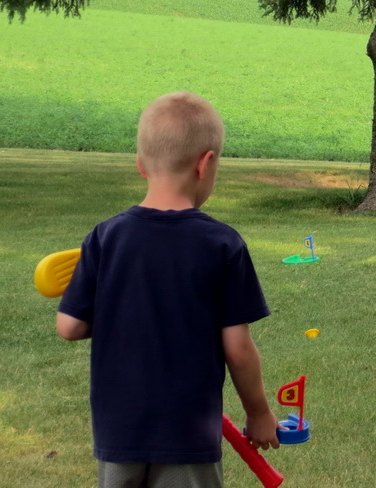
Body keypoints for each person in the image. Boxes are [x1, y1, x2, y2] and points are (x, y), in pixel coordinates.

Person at [56, 92, 281, 487]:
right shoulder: (222, 244)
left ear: (140, 165)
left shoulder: (106, 238)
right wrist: (259, 413)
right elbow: (238, 347)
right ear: (206, 163)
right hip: (187, 432)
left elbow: (69, 327)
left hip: (118, 429)